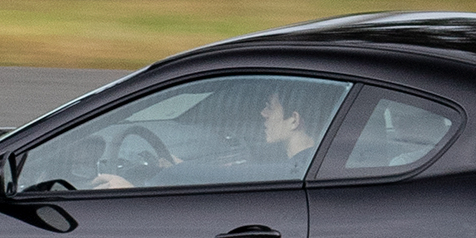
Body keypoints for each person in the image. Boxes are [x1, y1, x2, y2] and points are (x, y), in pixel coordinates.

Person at [87, 82, 339, 189]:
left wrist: (133, 192)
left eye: (270, 107)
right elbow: (233, 177)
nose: (263, 113)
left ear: (294, 120)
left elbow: (242, 180)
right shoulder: (305, 164)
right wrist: (181, 168)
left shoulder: (293, 172)